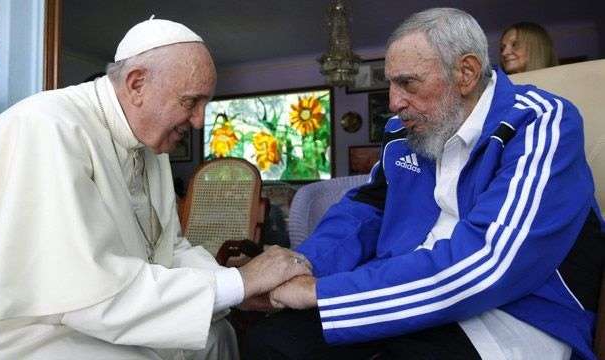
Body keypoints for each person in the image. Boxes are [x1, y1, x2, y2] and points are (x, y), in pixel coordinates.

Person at [247, 8, 604, 360]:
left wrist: (324, 294)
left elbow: (489, 261)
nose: (393, 102)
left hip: (513, 311)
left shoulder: (541, 121)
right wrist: (300, 265)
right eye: (390, 82)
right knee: (271, 342)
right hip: (402, 286)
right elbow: (367, 210)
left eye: (407, 83)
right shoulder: (404, 132)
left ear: (465, 73)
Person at [0, 18, 312, 359]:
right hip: (29, 329)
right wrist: (239, 283)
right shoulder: (47, 128)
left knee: (217, 335)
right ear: (136, 84)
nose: (200, 121)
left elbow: (169, 249)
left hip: (109, 312)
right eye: (191, 102)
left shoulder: (147, 141)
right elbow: (83, 292)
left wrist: (235, 287)